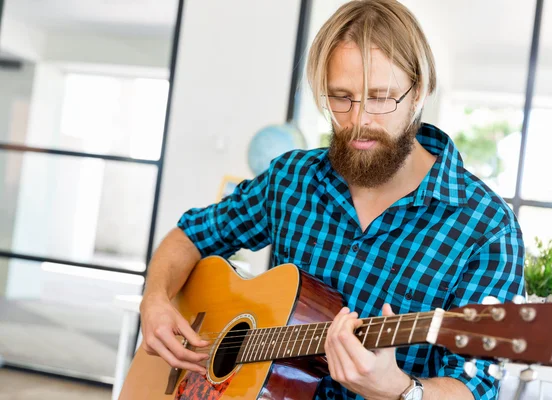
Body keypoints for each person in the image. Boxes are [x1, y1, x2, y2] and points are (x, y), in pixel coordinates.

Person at [139, 1, 525, 399]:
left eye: (380, 98)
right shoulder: (291, 179)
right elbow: (190, 236)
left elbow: (474, 388)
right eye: (341, 97)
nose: (358, 120)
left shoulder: (485, 227)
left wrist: (397, 389)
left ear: (420, 91)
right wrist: (155, 299)